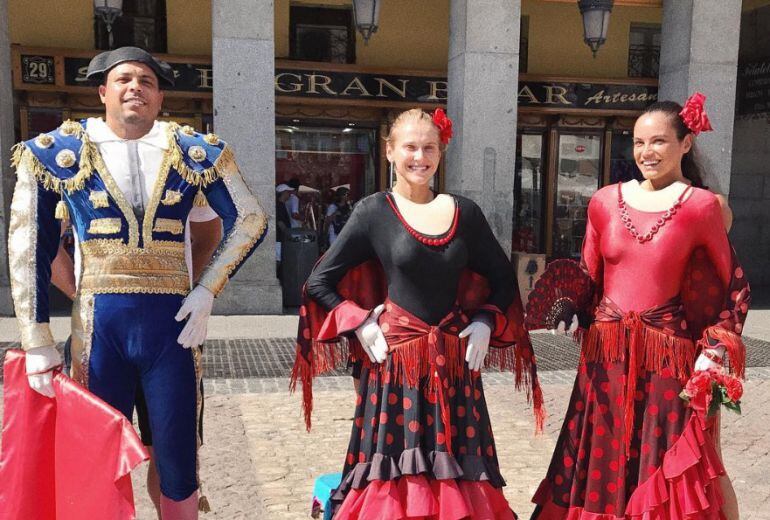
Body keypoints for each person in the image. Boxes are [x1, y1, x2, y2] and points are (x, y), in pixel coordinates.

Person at [8, 46, 268, 519]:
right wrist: (37, 338)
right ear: (102, 91)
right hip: (98, 328)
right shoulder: (57, 151)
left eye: (147, 82)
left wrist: (207, 289)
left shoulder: (192, 150)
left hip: (172, 326)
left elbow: (249, 218)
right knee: (95, 458)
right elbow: (30, 242)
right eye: (124, 79)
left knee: (178, 459)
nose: (136, 89)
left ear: (160, 96)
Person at [291, 108, 544, 519]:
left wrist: (484, 320)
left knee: (458, 470)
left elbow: (503, 278)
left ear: (441, 153)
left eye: (429, 147)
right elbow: (319, 283)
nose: (419, 157)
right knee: (395, 471)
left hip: (454, 367)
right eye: (410, 147)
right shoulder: (374, 211)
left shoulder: (466, 213)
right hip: (396, 365)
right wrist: (358, 322)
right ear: (390, 151)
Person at [528, 94, 750, 519]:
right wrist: (572, 309)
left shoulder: (703, 207)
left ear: (686, 144)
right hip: (605, 358)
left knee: (670, 460)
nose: (646, 152)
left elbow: (730, 288)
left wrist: (715, 351)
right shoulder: (604, 201)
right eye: (638, 142)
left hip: (669, 358)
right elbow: (587, 277)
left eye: (659, 141)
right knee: (600, 457)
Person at [49, 210, 222, 519]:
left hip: (170, 334)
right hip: (98, 335)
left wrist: (176, 287)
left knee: (171, 457)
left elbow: (209, 233)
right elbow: (41, 239)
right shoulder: (75, 162)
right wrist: (82, 298)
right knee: (99, 457)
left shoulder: (178, 162)